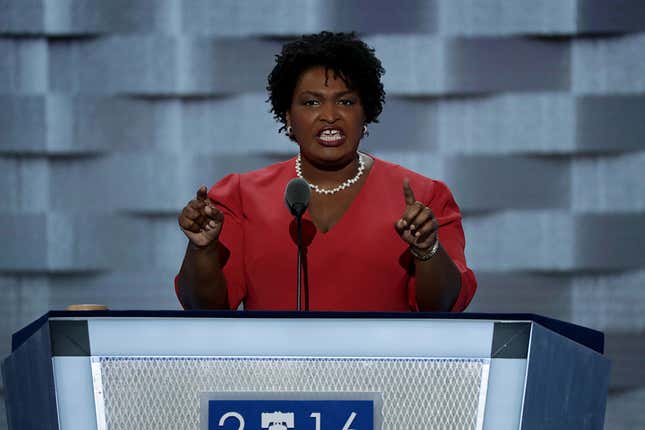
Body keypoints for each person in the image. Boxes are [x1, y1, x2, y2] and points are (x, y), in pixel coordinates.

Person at [175, 31, 476, 312]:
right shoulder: (239, 197)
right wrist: (202, 250)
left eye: (346, 101)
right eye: (311, 102)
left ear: (366, 112)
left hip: (383, 370)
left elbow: (445, 306)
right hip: (274, 369)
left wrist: (427, 250)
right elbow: (204, 309)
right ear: (288, 117)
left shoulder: (425, 199)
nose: (330, 116)